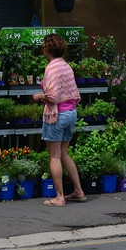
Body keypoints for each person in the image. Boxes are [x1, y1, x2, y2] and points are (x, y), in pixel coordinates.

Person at [32, 33, 86, 206]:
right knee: (64, 153)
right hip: (71, 113)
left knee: (54, 156)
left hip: (57, 115)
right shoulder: (66, 66)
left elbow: (53, 96)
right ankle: (78, 191)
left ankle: (59, 197)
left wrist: (39, 96)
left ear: (47, 49)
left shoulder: (51, 68)